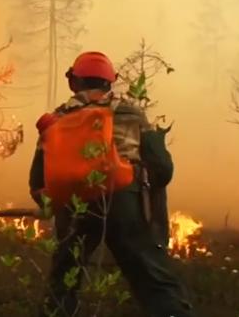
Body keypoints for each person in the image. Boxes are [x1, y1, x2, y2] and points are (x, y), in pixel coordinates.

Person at [29, 51, 193, 317]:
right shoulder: (131, 113)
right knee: (152, 277)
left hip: (74, 206)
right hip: (124, 199)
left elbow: (38, 182)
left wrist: (60, 205)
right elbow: (162, 168)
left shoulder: (56, 120)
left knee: (63, 281)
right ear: (110, 82)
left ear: (74, 82)